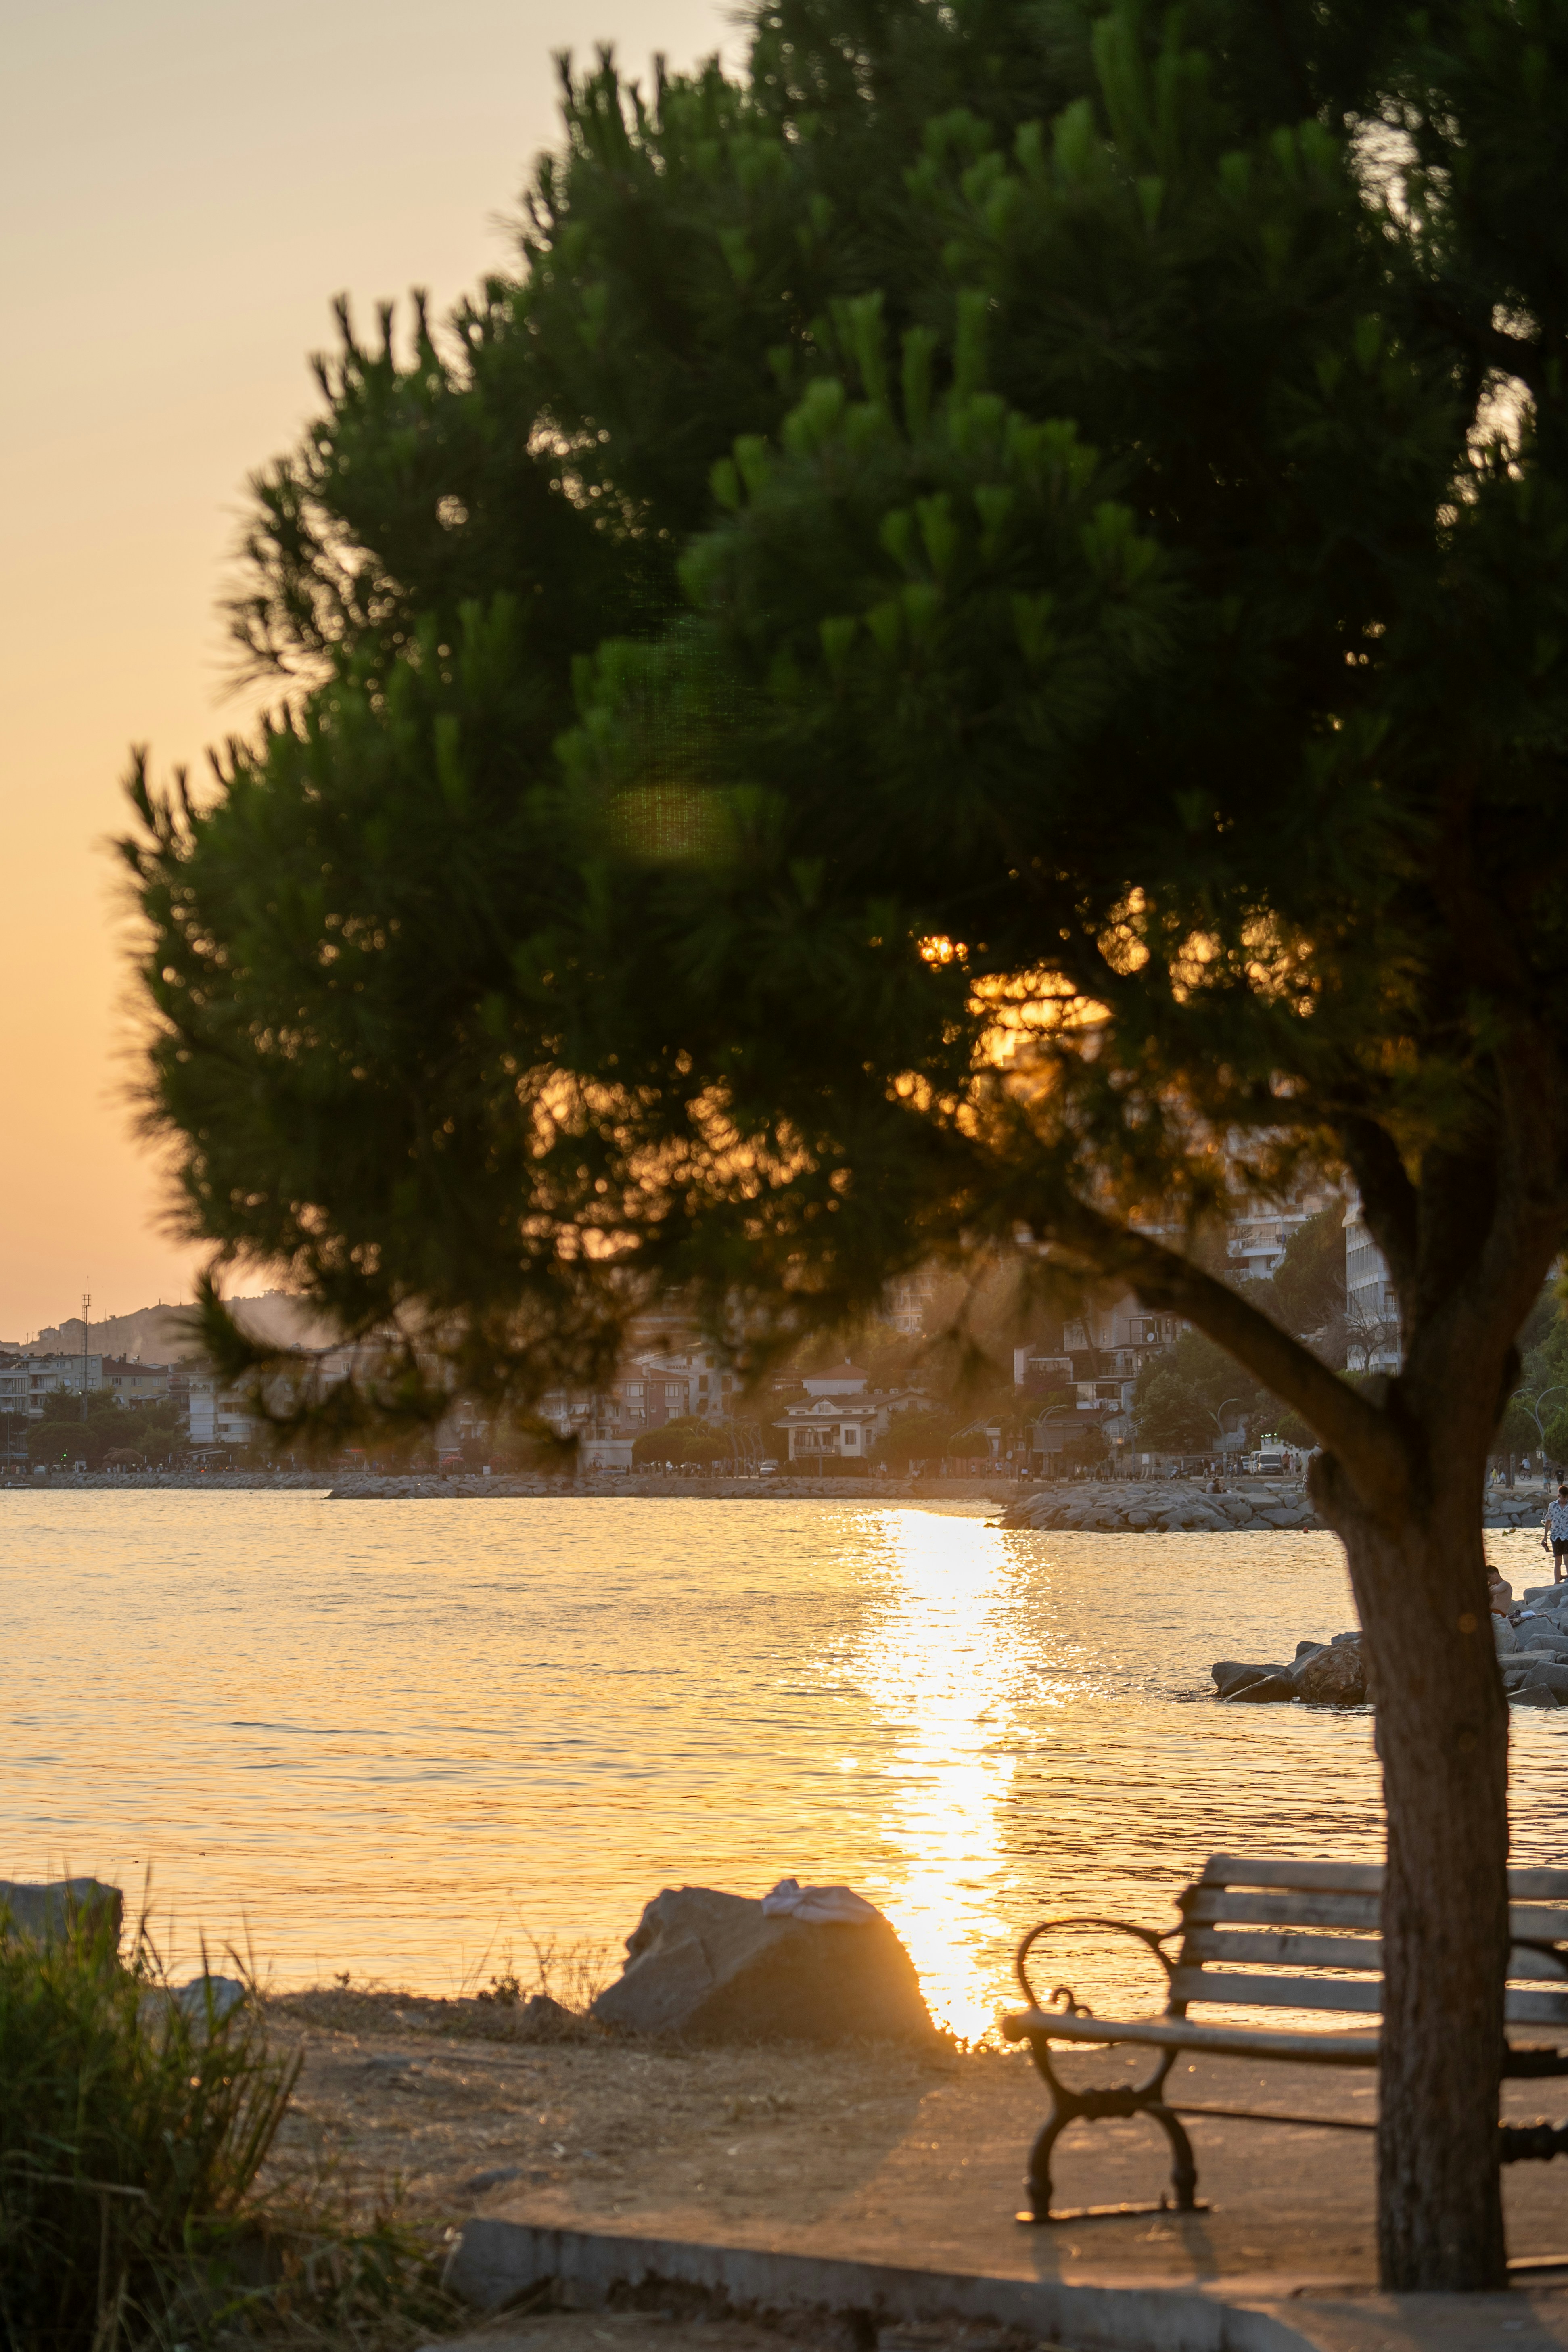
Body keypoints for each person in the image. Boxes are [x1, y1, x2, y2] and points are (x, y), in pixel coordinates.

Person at [1541, 1484, 1568, 1583]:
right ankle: (1557, 1582)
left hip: (1567, 1535)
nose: (1565, 1499)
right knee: (1558, 1561)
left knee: (1567, 1560)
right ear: (1559, 1496)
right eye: (1563, 1497)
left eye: (1566, 1497)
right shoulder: (1552, 1506)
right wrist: (1545, 1537)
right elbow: (1548, 1522)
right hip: (1555, 1536)